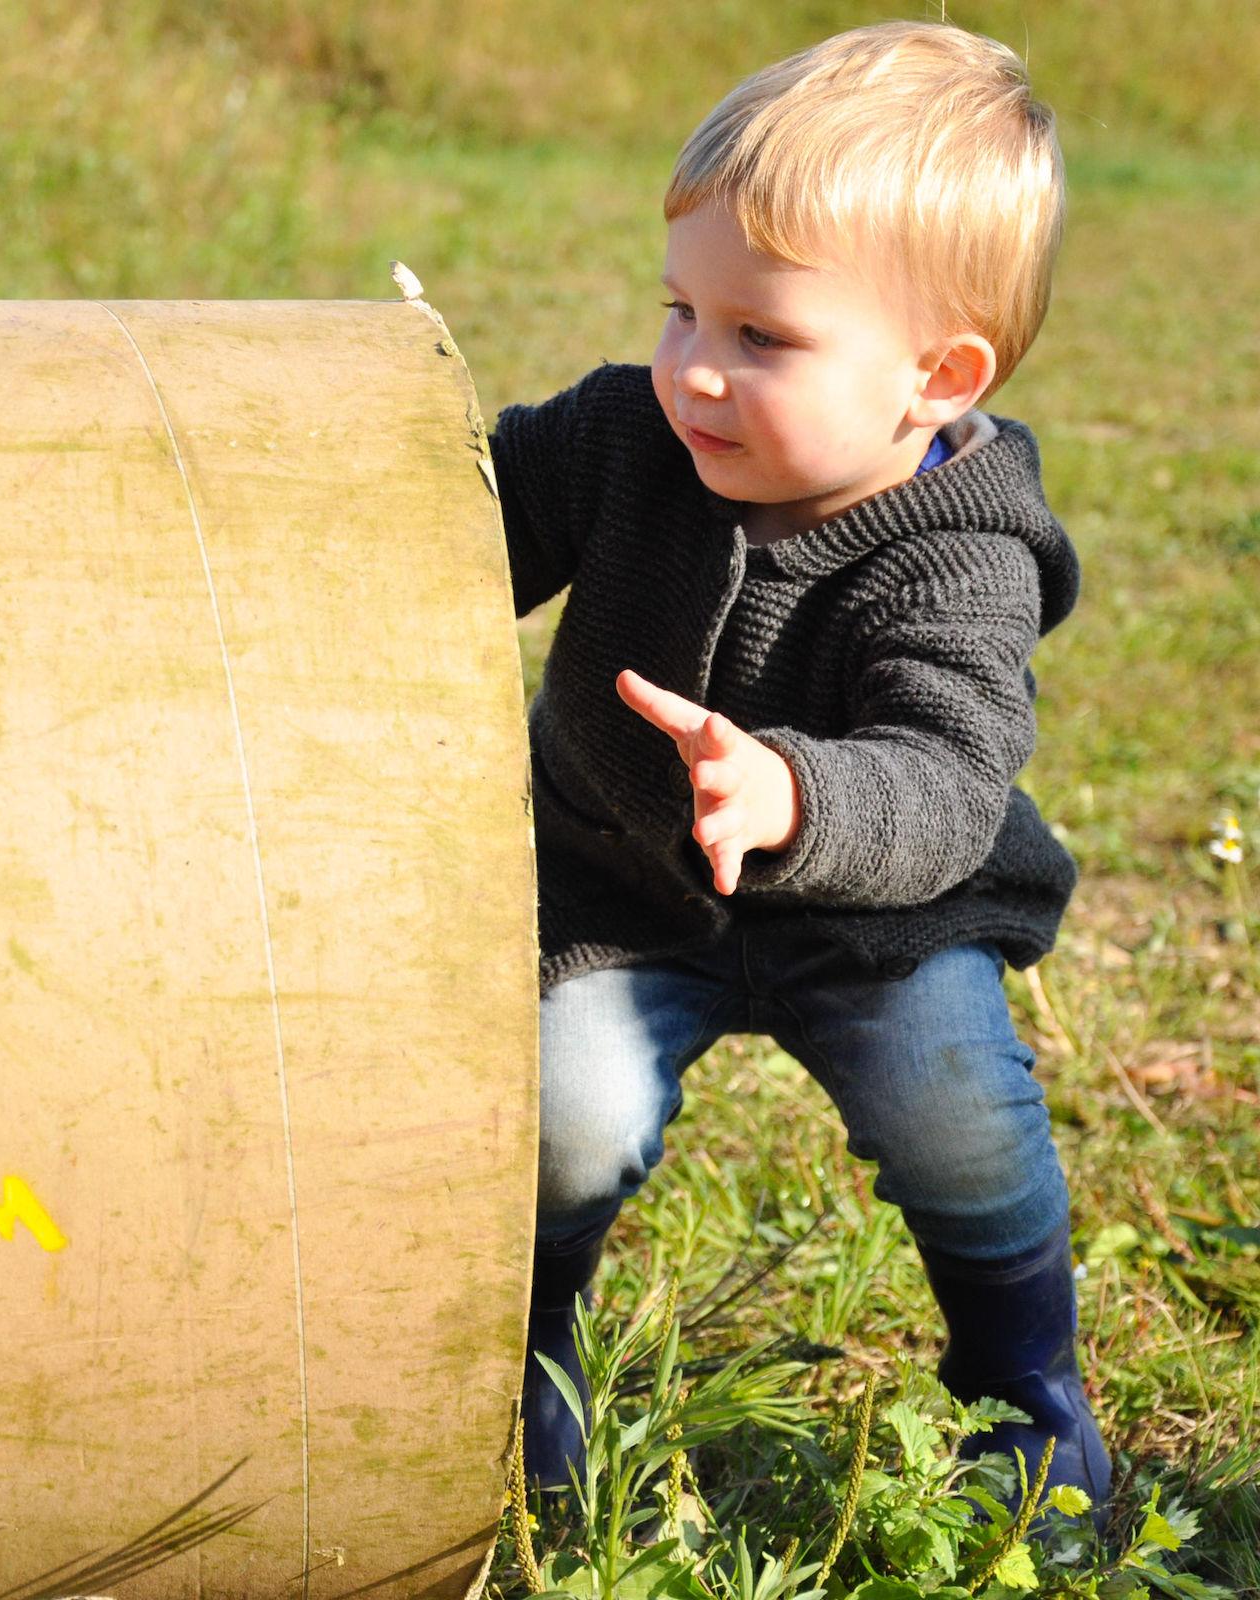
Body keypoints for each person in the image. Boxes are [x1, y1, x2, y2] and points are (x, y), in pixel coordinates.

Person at [487, 21, 1108, 1511]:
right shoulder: (625, 436)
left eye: (761, 338)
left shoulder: (962, 554)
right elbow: (459, 525)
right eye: (680, 310)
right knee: (562, 1128)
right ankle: (522, 1368)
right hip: (622, 884)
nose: (695, 371)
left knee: (961, 1125)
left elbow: (951, 776)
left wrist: (796, 793)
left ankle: (1026, 1396)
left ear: (932, 375)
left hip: (882, 914)